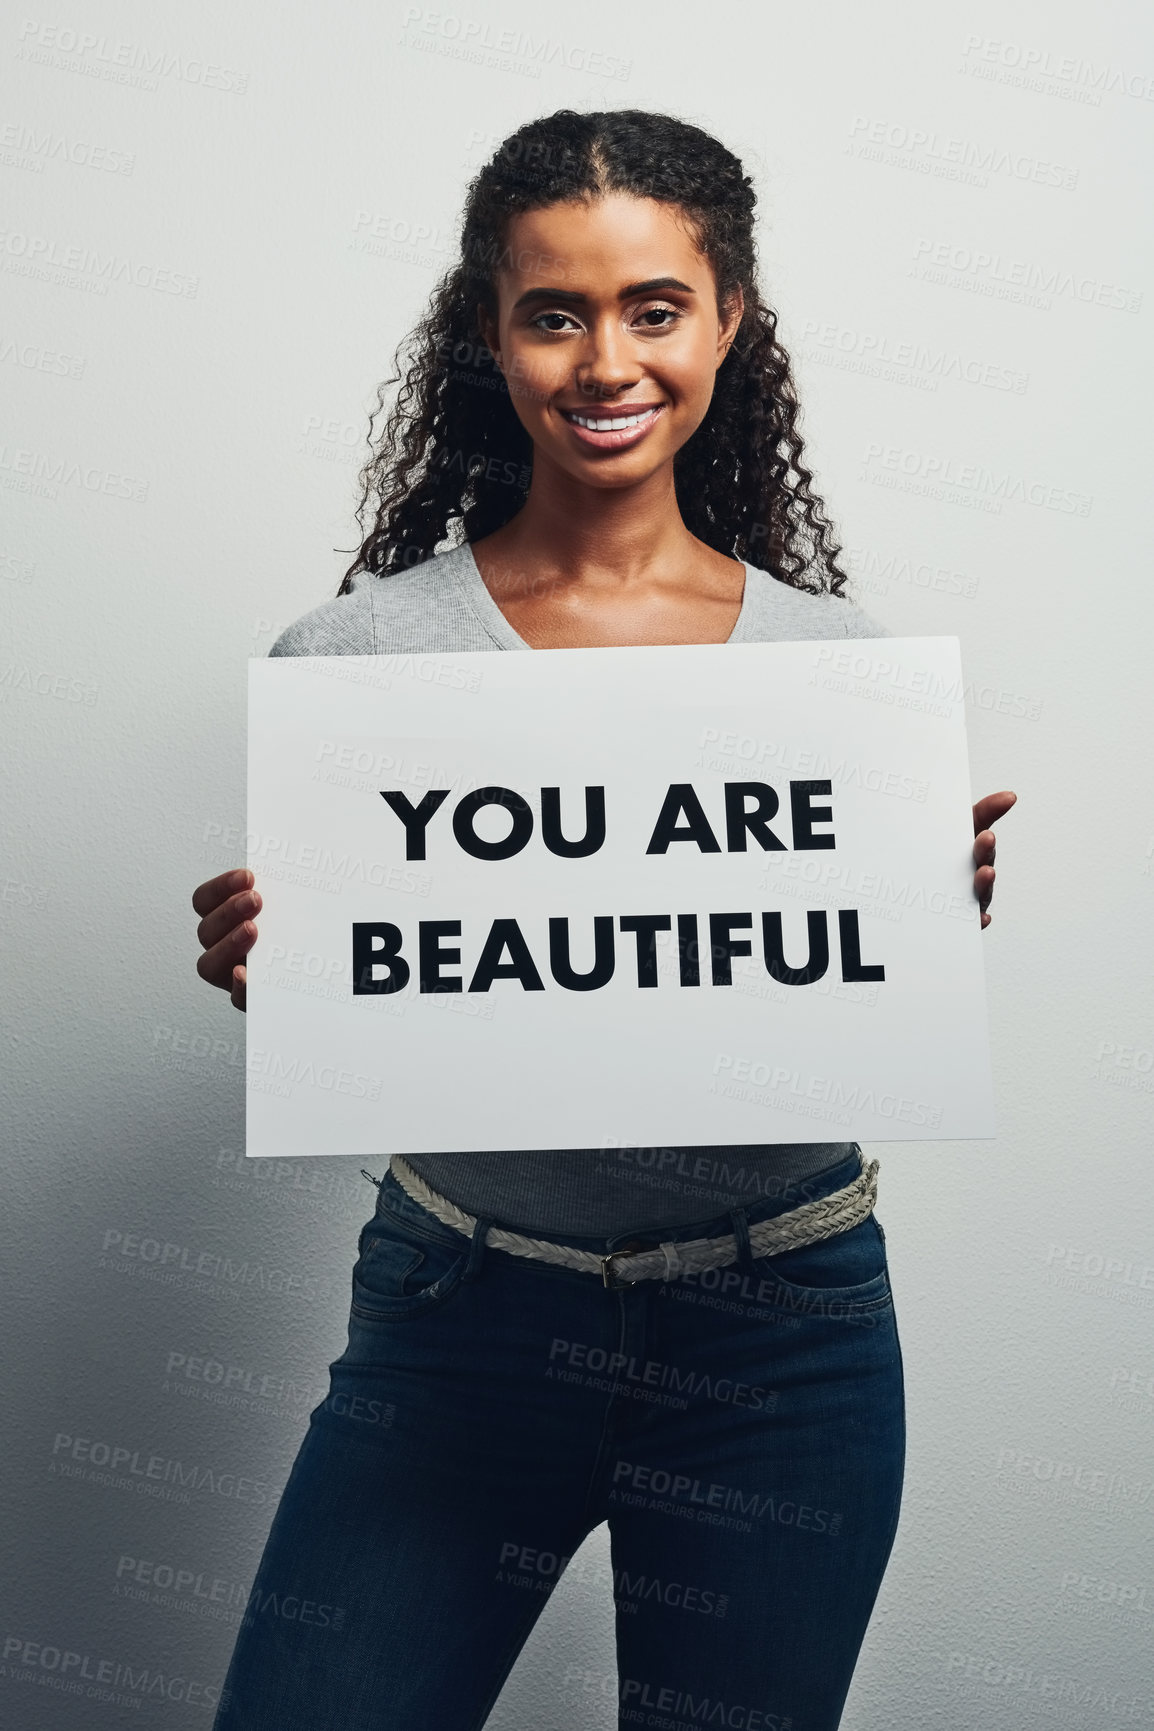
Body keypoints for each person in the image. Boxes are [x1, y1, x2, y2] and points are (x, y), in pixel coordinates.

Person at [195, 109, 1014, 1731]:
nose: (603, 358)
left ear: (728, 323)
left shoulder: (837, 683)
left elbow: (795, 993)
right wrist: (275, 976)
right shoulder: (353, 666)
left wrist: (907, 921)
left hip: (782, 1344)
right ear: (488, 335)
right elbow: (388, 990)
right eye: (552, 312)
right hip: (458, 1325)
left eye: (652, 307)